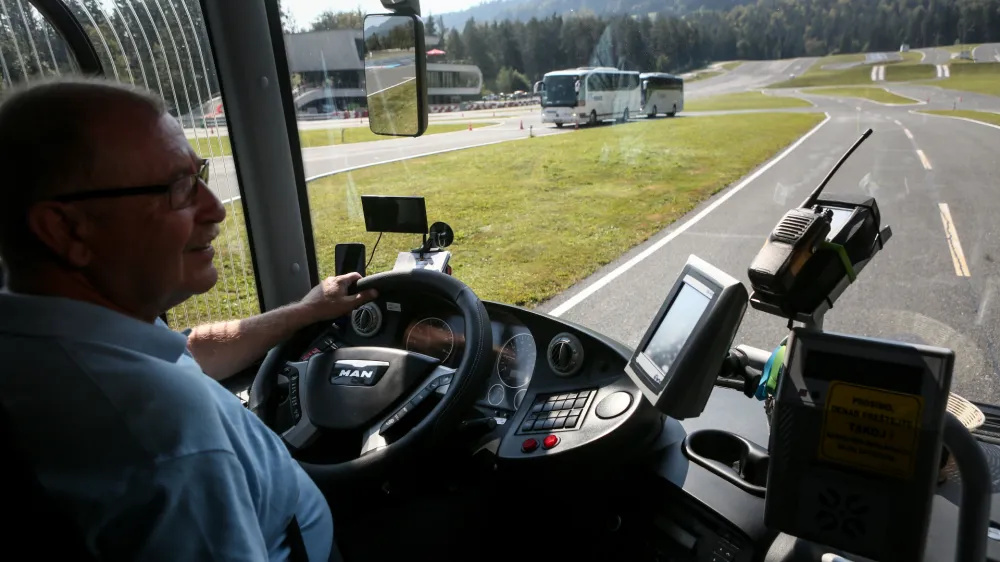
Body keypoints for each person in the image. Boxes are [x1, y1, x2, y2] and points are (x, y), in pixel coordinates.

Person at [0, 78, 376, 560]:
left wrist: (306, 312)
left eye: (199, 174)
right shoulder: (164, 444)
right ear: (64, 228)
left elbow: (186, 353)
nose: (215, 208)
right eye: (178, 188)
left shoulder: (60, 334)